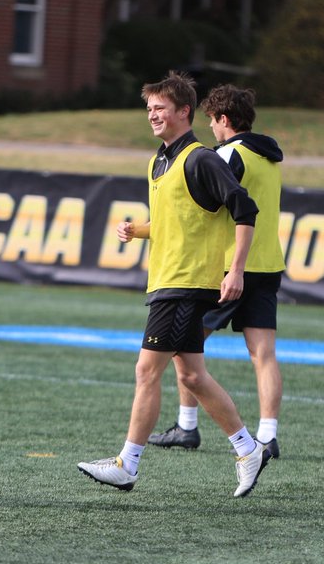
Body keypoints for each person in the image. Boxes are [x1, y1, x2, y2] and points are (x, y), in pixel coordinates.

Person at [77, 71, 269, 497]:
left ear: (185, 111)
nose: (153, 115)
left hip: (186, 282)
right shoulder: (158, 160)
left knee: (147, 370)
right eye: (149, 109)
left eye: (160, 108)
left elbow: (244, 207)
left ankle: (127, 464)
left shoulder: (201, 159)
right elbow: (174, 220)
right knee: (194, 377)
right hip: (166, 278)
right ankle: (247, 447)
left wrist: (235, 269)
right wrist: (139, 230)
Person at [149, 84, 286, 457]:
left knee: (184, 345)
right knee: (264, 355)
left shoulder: (225, 155)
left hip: (228, 266)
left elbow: (211, 208)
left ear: (224, 119)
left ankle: (187, 426)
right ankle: (268, 435)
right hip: (268, 262)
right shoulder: (270, 157)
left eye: (212, 120)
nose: (210, 128)